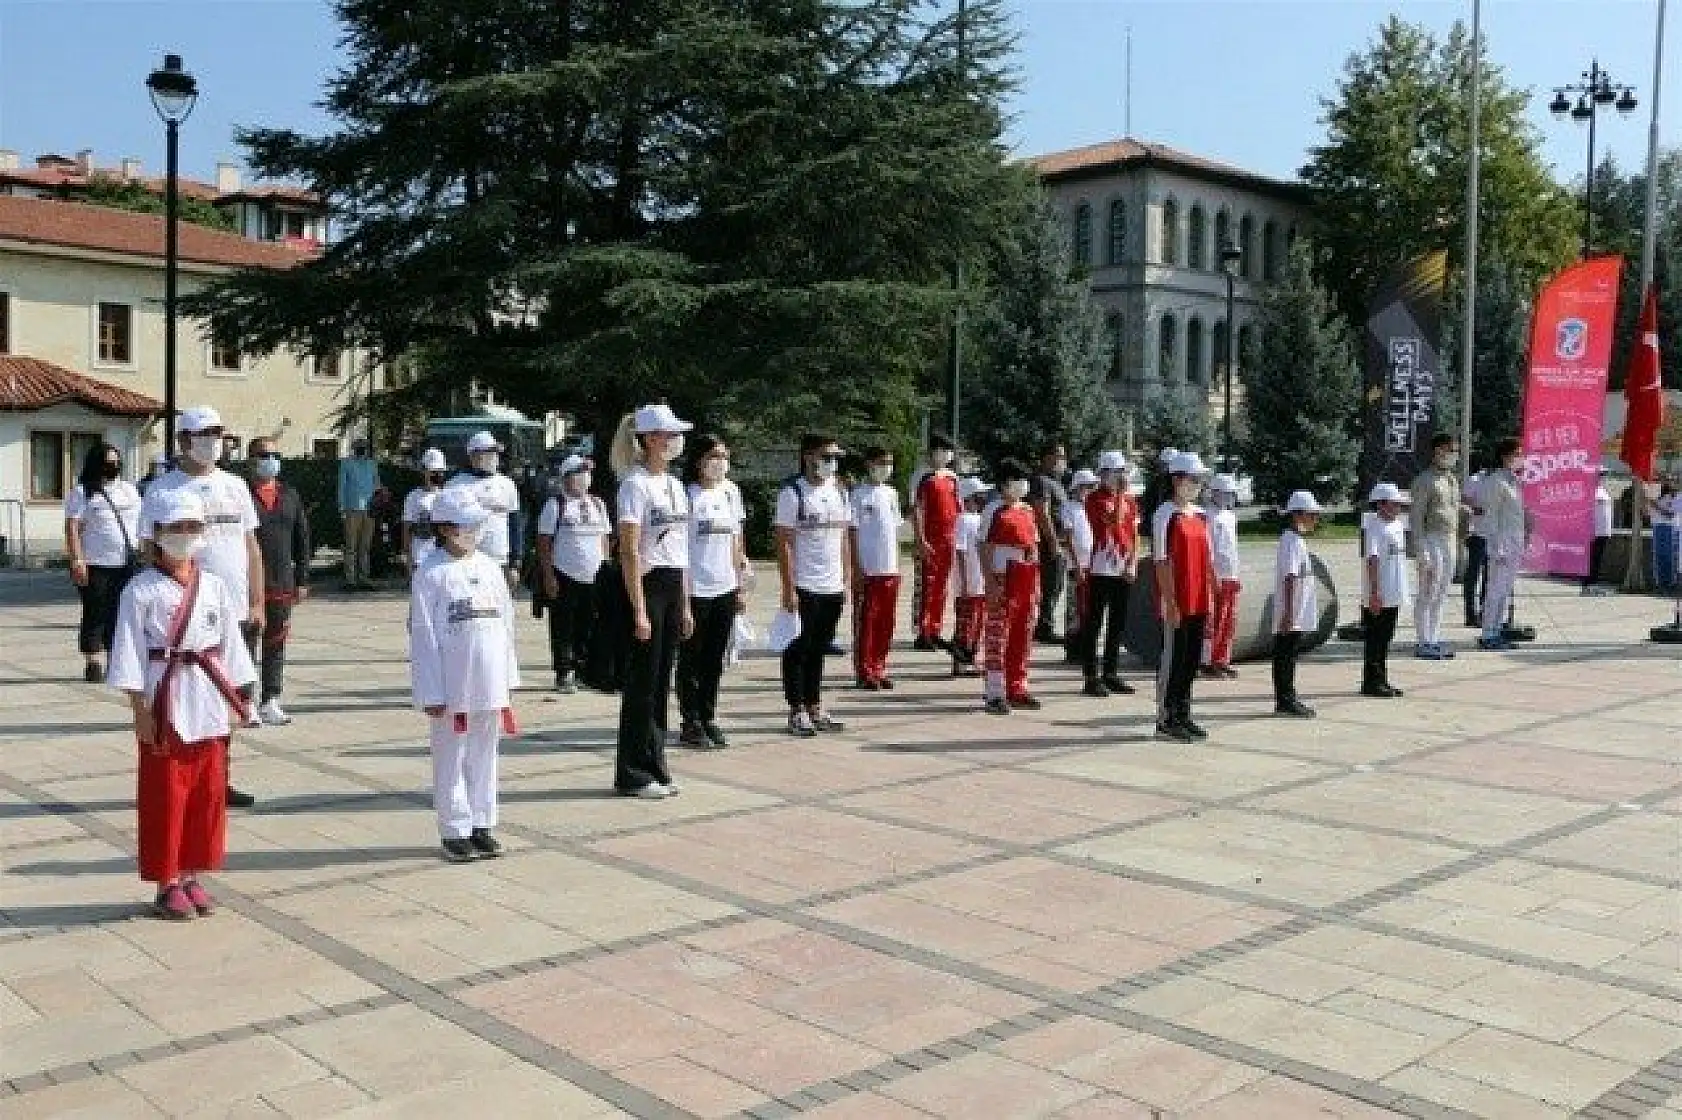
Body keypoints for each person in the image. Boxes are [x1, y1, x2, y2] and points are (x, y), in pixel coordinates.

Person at [108, 487, 258, 919]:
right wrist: (139, 712)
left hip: (208, 696)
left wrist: (239, 697)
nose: (184, 535)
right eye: (176, 528)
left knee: (207, 794)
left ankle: (192, 873)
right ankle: (166, 880)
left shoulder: (212, 585)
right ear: (156, 533)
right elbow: (129, 654)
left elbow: (230, 645)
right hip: (165, 697)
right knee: (166, 794)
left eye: (192, 527)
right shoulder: (140, 590)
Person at [139, 406, 264, 808]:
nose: (212, 440)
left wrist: (258, 601)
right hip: (184, 615)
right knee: (181, 700)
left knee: (229, 699)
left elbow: (251, 546)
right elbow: (147, 547)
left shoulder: (236, 486)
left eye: (217, 433)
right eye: (203, 433)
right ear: (183, 441)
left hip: (233, 611)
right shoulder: (163, 491)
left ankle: (218, 777)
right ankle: (183, 776)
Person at [409, 489, 519, 862]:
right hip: (452, 683)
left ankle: (482, 823)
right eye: (464, 525)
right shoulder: (431, 572)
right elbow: (423, 634)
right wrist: (431, 690)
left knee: (485, 753)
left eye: (475, 524)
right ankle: (455, 829)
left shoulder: (489, 567)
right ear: (444, 528)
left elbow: (506, 623)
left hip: (490, 679)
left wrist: (508, 678)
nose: (472, 531)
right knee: (451, 755)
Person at [613, 404, 694, 797]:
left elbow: (682, 546)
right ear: (648, 439)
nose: (674, 441)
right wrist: (640, 608)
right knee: (643, 683)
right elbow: (628, 549)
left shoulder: (675, 485)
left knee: (663, 681)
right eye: (667, 434)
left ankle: (656, 760)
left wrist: (687, 603)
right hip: (646, 585)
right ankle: (632, 771)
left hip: (673, 583)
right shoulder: (634, 484)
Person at [776, 433, 853, 737]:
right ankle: (796, 709)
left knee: (819, 648)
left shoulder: (840, 491)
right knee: (799, 648)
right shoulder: (793, 492)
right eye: (826, 456)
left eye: (835, 457)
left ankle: (814, 705)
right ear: (808, 456)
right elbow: (783, 542)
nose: (831, 462)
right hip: (805, 583)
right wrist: (788, 586)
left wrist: (846, 576)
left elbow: (845, 536)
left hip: (832, 584)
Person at [676, 435, 747, 747]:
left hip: (724, 588)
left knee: (715, 660)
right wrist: (684, 601)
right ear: (698, 461)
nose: (720, 463)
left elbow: (735, 540)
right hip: (696, 590)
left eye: (724, 457)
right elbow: (679, 550)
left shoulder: (731, 493)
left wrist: (740, 585)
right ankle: (690, 719)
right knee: (691, 658)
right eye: (713, 457)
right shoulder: (686, 495)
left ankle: (708, 715)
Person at [245, 438, 311, 726]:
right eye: (263, 455)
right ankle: (243, 700)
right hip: (249, 582)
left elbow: (302, 537)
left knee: (276, 641)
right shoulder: (242, 493)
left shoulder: (290, 494)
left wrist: (302, 578)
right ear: (251, 458)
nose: (270, 459)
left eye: (274, 454)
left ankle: (271, 698)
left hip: (282, 580)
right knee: (246, 642)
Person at [65, 443, 142, 683]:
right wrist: (77, 559)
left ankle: (115, 659)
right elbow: (73, 527)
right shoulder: (82, 493)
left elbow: (143, 521)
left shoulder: (129, 490)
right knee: (95, 611)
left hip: (127, 562)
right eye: (109, 462)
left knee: (120, 613)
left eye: (117, 461)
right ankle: (93, 660)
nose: (114, 466)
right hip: (95, 563)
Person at [1153, 451, 1215, 743]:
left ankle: (1184, 713)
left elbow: (1208, 559)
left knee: (1191, 661)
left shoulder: (1200, 515)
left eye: (1200, 480)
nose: (1197, 484)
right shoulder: (1165, 514)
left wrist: (1210, 596)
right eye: (1193, 479)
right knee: (1174, 661)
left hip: (1199, 598)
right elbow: (1161, 562)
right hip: (1178, 600)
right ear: (1176, 480)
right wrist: (1171, 603)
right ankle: (1166, 718)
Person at [536, 454, 611, 694]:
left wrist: (606, 567)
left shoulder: (597, 504)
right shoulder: (555, 505)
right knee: (563, 626)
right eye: (579, 473)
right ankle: (563, 670)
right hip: (564, 574)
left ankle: (582, 669)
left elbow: (605, 538)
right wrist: (548, 576)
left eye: (586, 473)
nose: (584, 477)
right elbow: (544, 542)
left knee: (588, 624)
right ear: (566, 478)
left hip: (593, 576)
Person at [979, 460, 1041, 714]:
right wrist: (990, 581)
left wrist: (1036, 583)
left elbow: (1033, 546)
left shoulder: (1027, 509)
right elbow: (984, 546)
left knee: (1022, 635)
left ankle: (1017, 687)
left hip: (1025, 577)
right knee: (997, 635)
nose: (1022, 485)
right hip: (1002, 575)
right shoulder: (994, 510)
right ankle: (994, 692)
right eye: (1017, 480)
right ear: (1004, 483)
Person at [1080, 452, 1139, 698]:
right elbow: (1111, 524)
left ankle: (1111, 672)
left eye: (1122, 472)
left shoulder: (1131, 500)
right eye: (1116, 472)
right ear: (1103, 474)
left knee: (1117, 622)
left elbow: (1134, 533)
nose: (1120, 477)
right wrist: (1119, 496)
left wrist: (1133, 563)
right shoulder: (1093, 499)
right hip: (1100, 566)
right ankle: (1090, 676)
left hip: (1122, 566)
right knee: (1094, 622)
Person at [850, 446, 904, 691]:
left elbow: (895, 529)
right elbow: (852, 532)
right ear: (869, 464)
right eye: (881, 462)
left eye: (889, 463)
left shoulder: (891, 493)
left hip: (890, 568)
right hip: (869, 569)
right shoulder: (858, 495)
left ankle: (880, 667)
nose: (886, 467)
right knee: (868, 622)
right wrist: (857, 568)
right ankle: (865, 670)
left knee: (886, 622)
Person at [1409, 434, 1461, 659]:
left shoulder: (1451, 479)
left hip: (1449, 539)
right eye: (1450, 450)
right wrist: (1421, 548)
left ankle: (1434, 637)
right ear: (1437, 451)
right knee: (1427, 592)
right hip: (1431, 539)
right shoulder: (1425, 480)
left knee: (1442, 592)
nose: (1453, 455)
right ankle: (1423, 641)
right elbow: (1416, 517)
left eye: (1455, 451)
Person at [449, 432, 523, 589]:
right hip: (466, 561)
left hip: (499, 561)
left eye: (495, 453)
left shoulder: (507, 484)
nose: (494, 457)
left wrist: (516, 563)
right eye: (489, 452)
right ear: (473, 456)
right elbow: (446, 525)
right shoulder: (455, 485)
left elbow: (515, 524)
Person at [1273, 491, 1323, 718]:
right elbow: (1290, 578)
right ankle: (1285, 699)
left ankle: (1288, 696)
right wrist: (1289, 613)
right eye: (1312, 515)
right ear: (1298, 515)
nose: (1315, 520)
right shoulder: (1290, 541)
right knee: (1285, 655)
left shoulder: (1298, 540)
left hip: (1296, 609)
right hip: (1290, 610)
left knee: (1289, 654)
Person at [910, 435, 961, 651]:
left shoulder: (952, 477)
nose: (946, 454)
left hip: (948, 539)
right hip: (930, 538)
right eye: (942, 450)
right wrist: (920, 538)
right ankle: (923, 631)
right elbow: (917, 508)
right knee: (927, 585)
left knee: (941, 587)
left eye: (949, 450)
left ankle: (935, 628)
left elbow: (958, 508)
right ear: (933, 452)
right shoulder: (922, 476)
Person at [1479, 437, 1529, 652]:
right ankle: (1487, 632)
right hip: (1501, 540)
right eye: (1517, 454)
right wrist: (1495, 545)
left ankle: (1497, 629)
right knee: (1495, 590)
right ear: (1505, 456)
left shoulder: (1515, 481)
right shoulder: (1495, 481)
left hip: (1515, 538)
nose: (1521, 458)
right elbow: (1490, 516)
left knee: (1506, 590)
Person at [1361, 482, 1411, 697]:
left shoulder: (1398, 526)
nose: (1398, 507)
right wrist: (1374, 592)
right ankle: (1371, 682)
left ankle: (1382, 679)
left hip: (1394, 591)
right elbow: (1372, 559)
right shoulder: (1375, 527)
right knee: (1375, 638)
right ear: (1381, 505)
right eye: (1393, 503)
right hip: (1379, 592)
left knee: (1386, 637)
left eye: (1399, 504)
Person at [1200, 473, 1242, 679]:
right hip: (1215, 575)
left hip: (1231, 574)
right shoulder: (1207, 516)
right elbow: (1207, 549)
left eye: (1230, 494)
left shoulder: (1231, 516)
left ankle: (1222, 658)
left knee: (1229, 619)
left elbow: (1232, 547)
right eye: (1223, 493)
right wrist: (1211, 574)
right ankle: (1207, 661)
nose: (1227, 497)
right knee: (1213, 619)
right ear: (1214, 494)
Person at [949, 477, 989, 677]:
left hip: (981, 582)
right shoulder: (963, 520)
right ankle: (959, 662)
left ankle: (973, 659)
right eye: (979, 495)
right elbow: (960, 551)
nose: (983, 498)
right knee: (965, 623)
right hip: (969, 583)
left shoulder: (980, 518)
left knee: (978, 623)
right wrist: (964, 581)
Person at [1033, 444, 1071, 644]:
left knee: (1057, 585)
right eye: (1058, 456)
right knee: (1050, 584)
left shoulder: (1057, 482)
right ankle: (1044, 627)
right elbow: (1042, 512)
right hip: (1049, 542)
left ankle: (1045, 624)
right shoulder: (1041, 481)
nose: (1061, 460)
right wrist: (1053, 541)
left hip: (1061, 542)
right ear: (1046, 457)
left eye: (1063, 456)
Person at [1061, 468, 1099, 664]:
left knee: (1090, 609)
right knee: (1075, 608)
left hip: (1094, 565)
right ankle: (1073, 648)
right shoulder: (1069, 507)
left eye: (1094, 486)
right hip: (1076, 565)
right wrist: (1076, 565)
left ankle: (1087, 647)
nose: (1092, 490)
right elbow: (1067, 538)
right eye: (1088, 487)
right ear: (1078, 488)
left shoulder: (1093, 506)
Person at [337, 437, 379, 590]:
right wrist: (341, 507)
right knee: (351, 546)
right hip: (351, 509)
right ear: (354, 448)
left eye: (364, 446)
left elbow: (376, 484)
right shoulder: (346, 463)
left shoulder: (372, 464)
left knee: (365, 546)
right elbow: (341, 486)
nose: (361, 449)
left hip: (369, 510)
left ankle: (364, 578)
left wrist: (378, 501)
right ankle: (350, 579)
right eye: (359, 446)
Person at [403, 449, 449, 573]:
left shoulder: (447, 495)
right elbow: (407, 525)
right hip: (420, 554)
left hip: (441, 555)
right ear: (424, 471)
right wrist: (407, 554)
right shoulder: (413, 496)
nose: (437, 475)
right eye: (433, 472)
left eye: (440, 472)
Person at [1462, 466, 1489, 627]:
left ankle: (1485, 612)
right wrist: (1479, 510)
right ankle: (1470, 613)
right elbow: (1464, 503)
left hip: (1493, 535)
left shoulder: (1500, 480)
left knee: (1489, 576)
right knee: (1473, 575)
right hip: (1476, 534)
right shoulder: (1475, 480)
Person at [1584, 468, 1614, 595]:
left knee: (1598, 558)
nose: (1602, 477)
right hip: (1593, 530)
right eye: (1600, 474)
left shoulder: (1603, 490)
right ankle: (1588, 585)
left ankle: (1593, 583)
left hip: (1604, 530)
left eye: (1603, 475)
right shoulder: (1589, 490)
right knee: (1592, 559)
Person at [1651, 480, 1680, 592]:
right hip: (1657, 527)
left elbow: (1670, 515)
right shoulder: (1659, 498)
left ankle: (1670, 583)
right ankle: (1660, 583)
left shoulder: (1674, 498)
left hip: (1669, 528)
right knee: (1659, 556)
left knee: (1670, 557)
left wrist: (1655, 506)